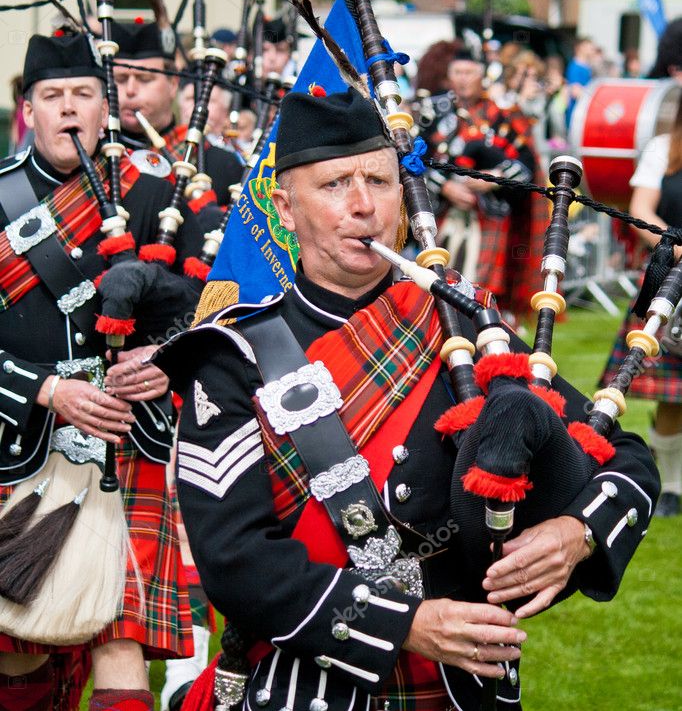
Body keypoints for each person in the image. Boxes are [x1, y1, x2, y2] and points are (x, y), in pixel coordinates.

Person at [157, 86, 658, 711]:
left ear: (404, 194)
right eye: (336, 184)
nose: (364, 206)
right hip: (307, 689)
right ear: (285, 207)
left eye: (380, 180)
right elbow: (235, 560)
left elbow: (624, 454)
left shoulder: (464, 328)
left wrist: (577, 531)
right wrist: (406, 625)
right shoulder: (234, 359)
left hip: (462, 689)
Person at [0, 31, 203, 711]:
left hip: (129, 446)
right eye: (51, 96)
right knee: (18, 642)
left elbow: (221, 306)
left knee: (122, 641)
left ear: (104, 106)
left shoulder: (159, 192)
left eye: (82, 95)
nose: (67, 109)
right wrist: (48, 390)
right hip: (21, 453)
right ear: (28, 110)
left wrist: (167, 358)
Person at [600, 87, 682, 517]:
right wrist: (677, 244)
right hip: (675, 279)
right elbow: (642, 207)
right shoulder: (662, 149)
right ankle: (671, 485)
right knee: (675, 397)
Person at [424, 48, 545, 321]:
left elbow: (526, 167)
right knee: (438, 285)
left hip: (490, 218)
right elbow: (417, 161)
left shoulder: (504, 115)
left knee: (484, 293)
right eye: (458, 73)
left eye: (469, 73)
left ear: (482, 77)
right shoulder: (435, 113)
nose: (463, 79)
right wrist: (446, 188)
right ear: (449, 76)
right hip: (444, 215)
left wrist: (489, 180)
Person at [111, 19, 243, 206]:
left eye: (144, 78)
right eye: (121, 79)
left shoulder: (220, 164)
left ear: (173, 84)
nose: (130, 90)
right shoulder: (92, 161)